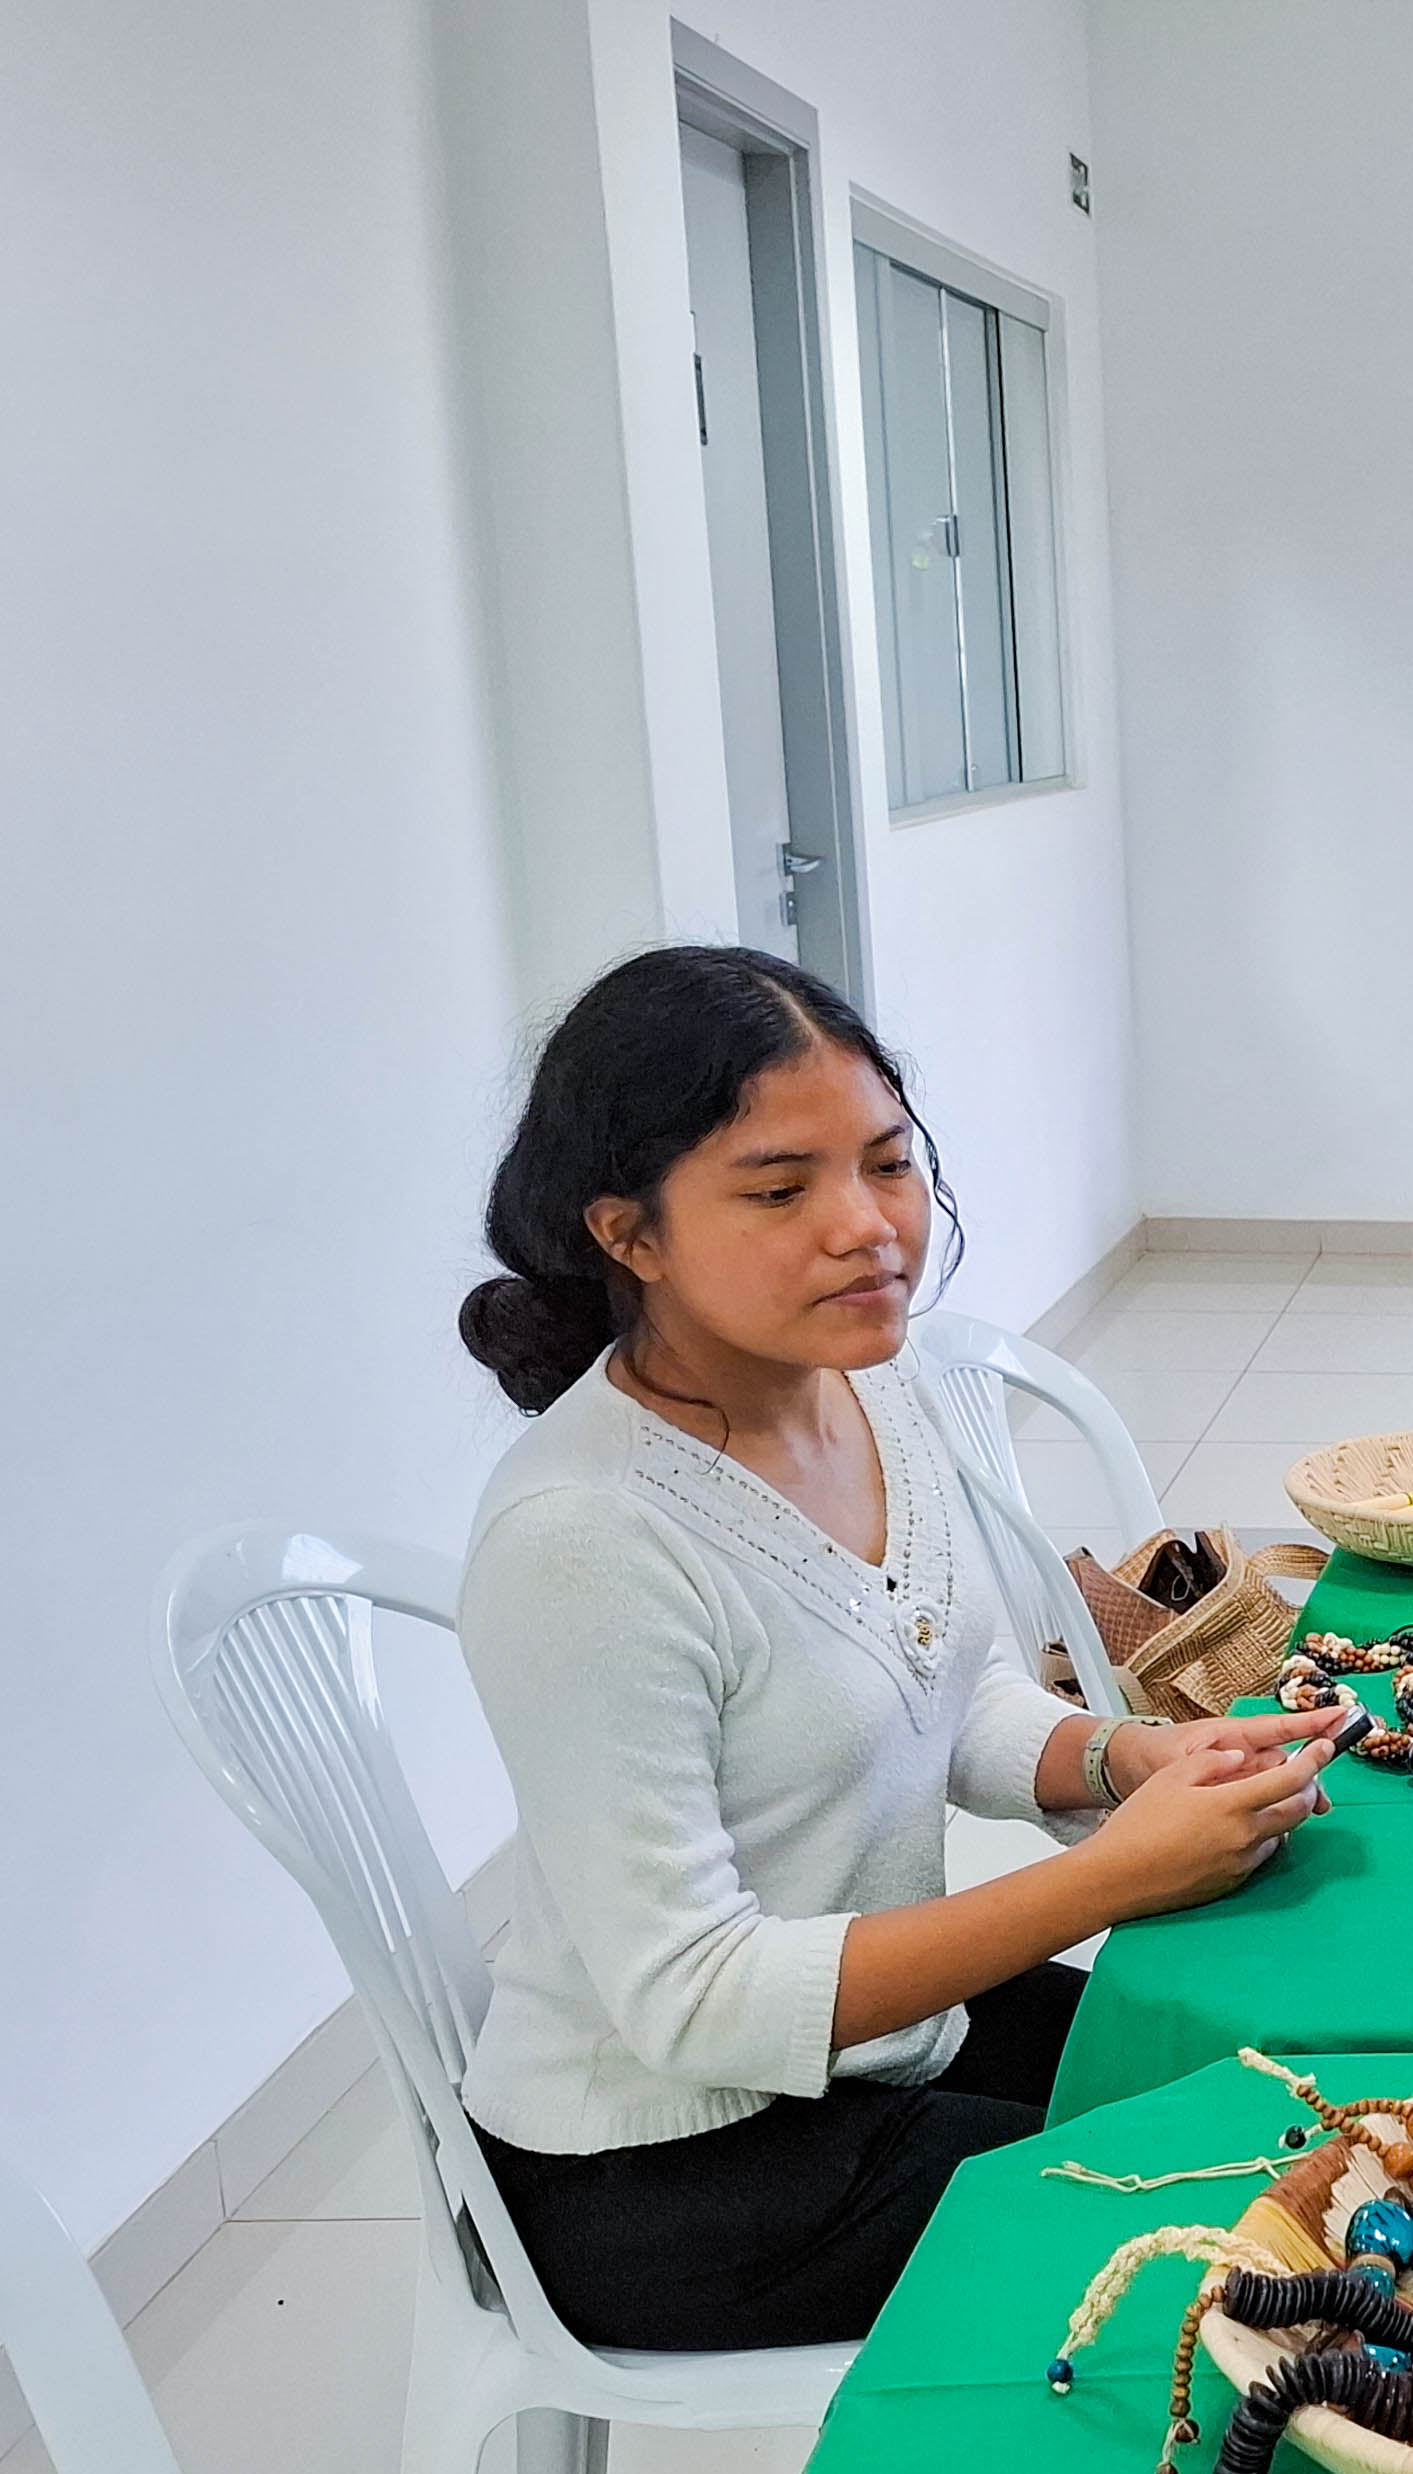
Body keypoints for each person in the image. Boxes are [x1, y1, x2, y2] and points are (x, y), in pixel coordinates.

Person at [452, 946, 1342, 2352]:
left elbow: (951, 1689)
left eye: (888, 1164)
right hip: (667, 2168)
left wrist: (1126, 1751)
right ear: (629, 1233)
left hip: (872, 2045)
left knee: (1294, 2089)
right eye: (778, 1189)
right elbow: (694, 2001)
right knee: (1258, 2226)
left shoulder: (873, 1384)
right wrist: (1109, 1877)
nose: (868, 1227)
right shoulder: (586, 1541)